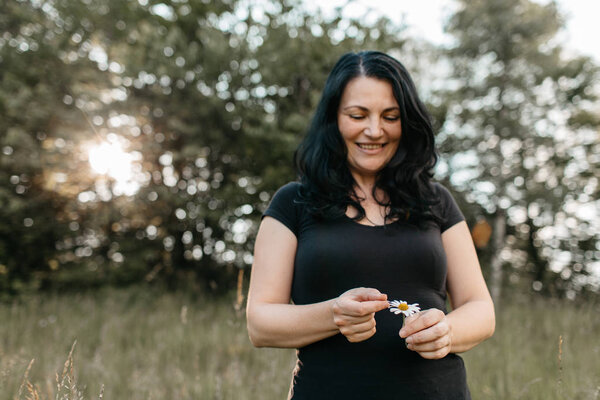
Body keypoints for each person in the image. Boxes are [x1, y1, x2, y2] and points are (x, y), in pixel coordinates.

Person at [246, 50, 495, 399]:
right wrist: (334, 314)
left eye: (390, 116)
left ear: (405, 122)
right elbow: (259, 324)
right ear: (334, 118)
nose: (374, 130)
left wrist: (447, 330)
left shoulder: (436, 200)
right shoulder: (293, 203)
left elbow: (481, 308)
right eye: (358, 115)